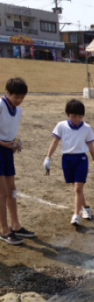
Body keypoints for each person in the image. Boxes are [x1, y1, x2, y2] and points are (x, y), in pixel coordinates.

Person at [43, 99, 94, 226]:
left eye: (80, 116)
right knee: (76, 188)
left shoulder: (86, 128)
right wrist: (48, 157)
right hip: (67, 159)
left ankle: (76, 215)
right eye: (74, 115)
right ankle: (86, 207)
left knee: (78, 188)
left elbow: (90, 145)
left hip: (81, 160)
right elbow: (55, 142)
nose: (76, 118)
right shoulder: (61, 126)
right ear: (68, 114)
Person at [0, 77, 34, 245]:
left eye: (22, 97)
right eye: (16, 97)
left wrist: (15, 143)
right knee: (3, 192)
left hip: (7, 153)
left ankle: (16, 225)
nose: (19, 101)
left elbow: (10, 132)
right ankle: (4, 229)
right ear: (7, 93)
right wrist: (4, 143)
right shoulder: (0, 106)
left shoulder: (18, 111)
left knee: (12, 190)